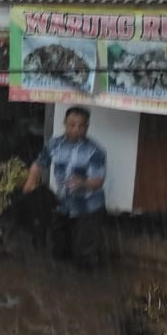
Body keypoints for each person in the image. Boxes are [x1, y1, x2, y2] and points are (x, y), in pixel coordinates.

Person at [23, 106, 106, 268]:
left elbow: (98, 181)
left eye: (81, 126)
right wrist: (30, 182)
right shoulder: (55, 144)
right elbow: (38, 165)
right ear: (64, 124)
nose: (76, 129)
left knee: (84, 254)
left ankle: (87, 281)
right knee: (58, 250)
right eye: (72, 124)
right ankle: (64, 281)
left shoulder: (95, 151)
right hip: (63, 204)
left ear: (87, 127)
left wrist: (82, 183)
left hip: (88, 206)